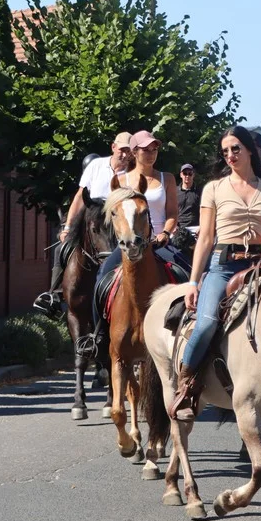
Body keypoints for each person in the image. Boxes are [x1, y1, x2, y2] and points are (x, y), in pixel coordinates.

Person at [169, 125, 261, 420]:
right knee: (208, 322)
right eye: (225, 151)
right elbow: (207, 239)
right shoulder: (213, 188)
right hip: (223, 266)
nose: (230, 155)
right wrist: (194, 282)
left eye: (235, 148)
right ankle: (187, 383)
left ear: (250, 149)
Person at [82, 130, 181, 355]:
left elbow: (173, 212)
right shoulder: (120, 180)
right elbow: (113, 214)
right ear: (134, 152)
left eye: (154, 149)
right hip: (127, 243)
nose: (151, 153)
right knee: (102, 279)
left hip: (159, 242)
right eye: (146, 149)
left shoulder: (167, 178)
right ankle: (98, 335)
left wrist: (165, 232)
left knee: (185, 272)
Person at [33, 132, 132, 316]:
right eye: (123, 150)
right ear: (113, 147)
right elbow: (80, 196)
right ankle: (55, 294)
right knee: (62, 248)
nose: (126, 155)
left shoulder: (131, 174)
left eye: (129, 151)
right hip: (90, 216)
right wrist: (68, 227)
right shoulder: (96, 165)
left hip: (115, 219)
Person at [176, 163, 201, 234]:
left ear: (193, 175)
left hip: (196, 228)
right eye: (185, 173)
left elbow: (203, 211)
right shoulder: (174, 191)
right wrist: (174, 226)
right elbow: (170, 210)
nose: (187, 176)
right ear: (181, 175)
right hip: (179, 228)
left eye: (190, 173)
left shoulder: (199, 192)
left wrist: (202, 226)